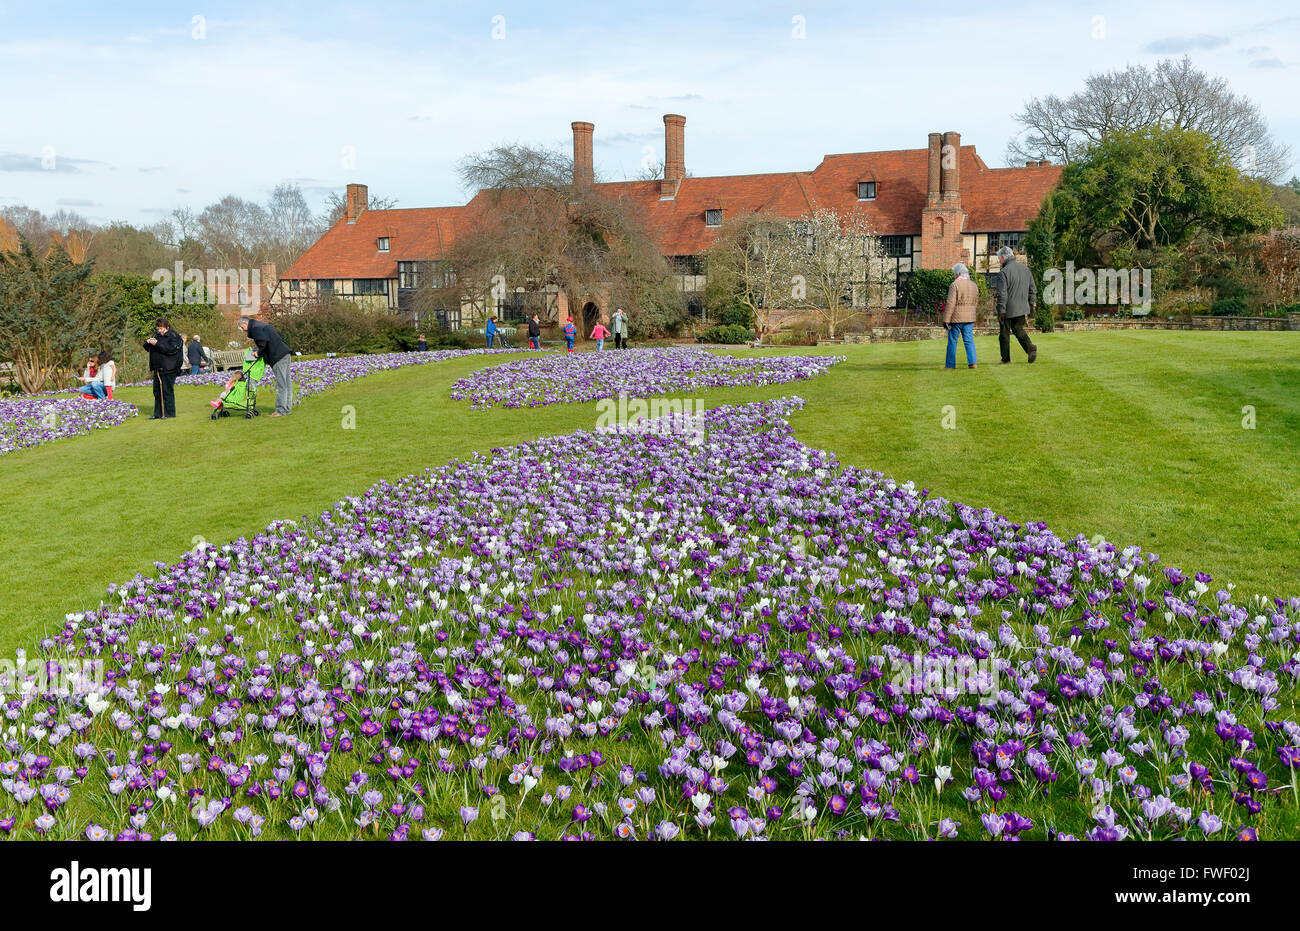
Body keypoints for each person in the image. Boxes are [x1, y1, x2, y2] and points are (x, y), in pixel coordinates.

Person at [238, 316, 293, 417]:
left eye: (242, 328)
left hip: (278, 357)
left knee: (282, 385)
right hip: (284, 353)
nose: (243, 330)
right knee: (287, 383)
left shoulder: (255, 328)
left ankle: (280, 411)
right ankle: (287, 409)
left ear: (245, 324)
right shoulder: (261, 325)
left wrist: (258, 353)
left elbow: (263, 342)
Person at [994, 246, 1037, 364]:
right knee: (1018, 329)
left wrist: (1001, 311)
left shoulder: (1003, 272)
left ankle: (1005, 359)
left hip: (1008, 309)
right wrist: (1031, 305)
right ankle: (1030, 347)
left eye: (999, 258)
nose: (998, 261)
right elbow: (1033, 289)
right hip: (1022, 308)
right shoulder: (1025, 269)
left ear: (1004, 257)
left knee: (1004, 334)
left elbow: (1002, 294)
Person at [143, 317, 183, 419]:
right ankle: (157, 414)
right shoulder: (156, 335)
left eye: (161, 329)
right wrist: (147, 342)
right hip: (157, 368)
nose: (159, 331)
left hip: (170, 367)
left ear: (167, 327)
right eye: (158, 328)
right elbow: (147, 348)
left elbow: (170, 350)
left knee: (167, 391)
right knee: (157, 392)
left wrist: (157, 343)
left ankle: (169, 414)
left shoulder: (174, 336)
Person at [943, 263, 979, 369]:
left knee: (953, 341)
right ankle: (973, 363)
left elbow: (950, 303)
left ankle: (950, 365)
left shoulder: (954, 285)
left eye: (955, 274)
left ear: (958, 274)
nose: (954, 275)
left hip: (956, 318)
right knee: (969, 340)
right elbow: (976, 301)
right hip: (970, 318)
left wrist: (946, 320)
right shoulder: (974, 285)